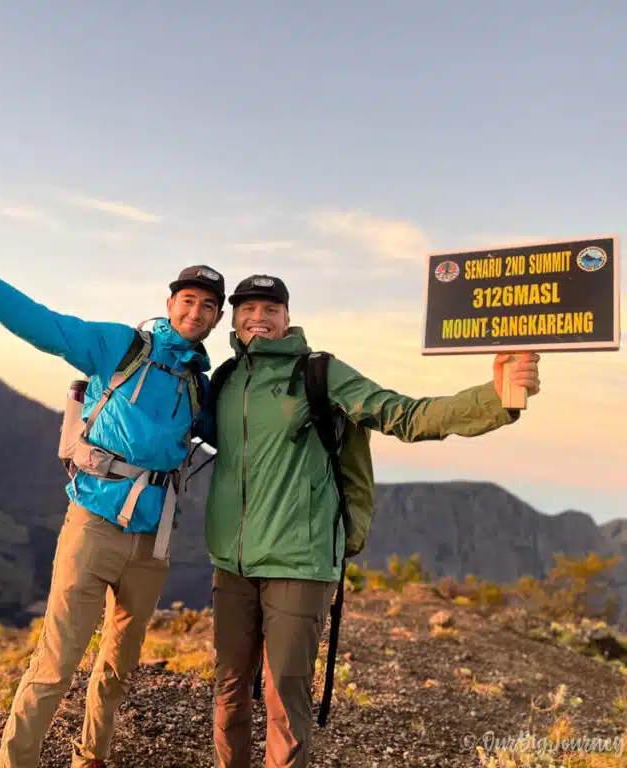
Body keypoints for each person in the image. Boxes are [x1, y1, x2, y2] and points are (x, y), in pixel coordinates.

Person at [0, 211, 226, 768]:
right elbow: (37, 322)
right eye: (187, 300)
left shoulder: (198, 385)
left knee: (120, 666)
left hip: (153, 541)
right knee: (56, 664)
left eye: (208, 306)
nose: (196, 312)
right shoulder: (120, 347)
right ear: (170, 304)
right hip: (95, 524)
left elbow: (246, 434)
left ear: (218, 319)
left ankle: (91, 757)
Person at [198, 273, 541, 768]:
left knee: (283, 696)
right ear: (233, 318)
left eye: (270, 309)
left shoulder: (322, 373)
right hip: (230, 562)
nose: (259, 317)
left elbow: (403, 414)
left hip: (300, 561)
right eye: (248, 309)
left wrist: (497, 396)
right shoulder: (226, 380)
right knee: (229, 690)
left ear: (288, 318)